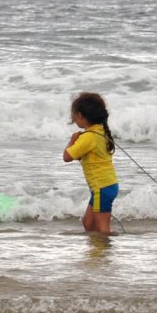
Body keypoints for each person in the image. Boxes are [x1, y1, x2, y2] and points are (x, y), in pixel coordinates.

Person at [63, 92, 119, 235]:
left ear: (81, 115)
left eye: (74, 117)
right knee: (88, 223)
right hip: (107, 185)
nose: (74, 120)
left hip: (102, 187)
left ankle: (103, 255)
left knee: (102, 229)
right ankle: (97, 251)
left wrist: (72, 141)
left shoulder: (88, 137)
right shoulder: (101, 131)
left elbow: (67, 156)